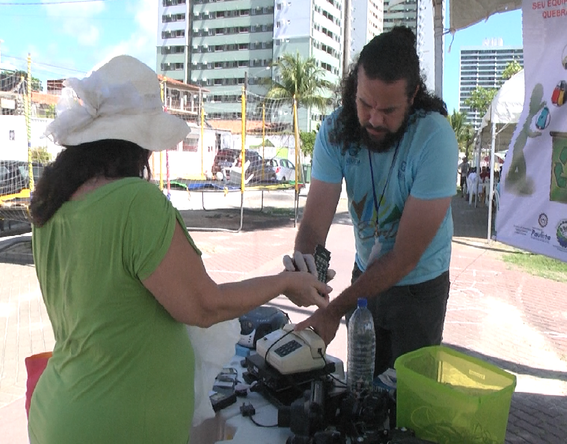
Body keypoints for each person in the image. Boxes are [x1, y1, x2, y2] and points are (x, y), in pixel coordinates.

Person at [27, 55, 330, 444]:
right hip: (114, 427)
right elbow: (204, 305)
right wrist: (284, 283)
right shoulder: (134, 201)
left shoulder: (51, 204)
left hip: (60, 412)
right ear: (137, 143)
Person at [283, 26, 458, 377]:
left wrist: (333, 311)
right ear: (353, 90)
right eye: (365, 104)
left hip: (419, 286)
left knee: (408, 398)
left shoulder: (434, 137)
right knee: (361, 389)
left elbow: (405, 257)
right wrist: (307, 271)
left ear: (413, 97)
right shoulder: (336, 131)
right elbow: (315, 224)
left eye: (389, 110)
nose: (375, 119)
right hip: (366, 276)